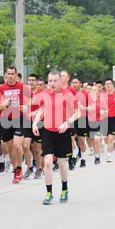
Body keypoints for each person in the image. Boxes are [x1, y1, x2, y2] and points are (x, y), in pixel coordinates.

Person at [32, 71, 80, 205]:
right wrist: (35, 122)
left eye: (54, 81)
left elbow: (78, 112)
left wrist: (67, 123)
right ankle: (49, 193)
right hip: (48, 132)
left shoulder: (67, 94)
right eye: (50, 81)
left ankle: (64, 189)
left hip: (62, 132)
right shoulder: (45, 94)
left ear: (60, 81)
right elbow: (42, 109)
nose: (52, 83)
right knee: (47, 162)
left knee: (61, 163)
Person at [0, 67, 31, 183]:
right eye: (8, 74)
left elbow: (33, 99)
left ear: (16, 75)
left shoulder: (23, 87)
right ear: (6, 75)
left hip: (19, 118)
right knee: (9, 147)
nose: (10, 76)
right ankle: (16, 167)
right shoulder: (1, 88)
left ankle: (19, 168)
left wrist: (27, 106)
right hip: (6, 118)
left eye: (13, 74)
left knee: (17, 145)